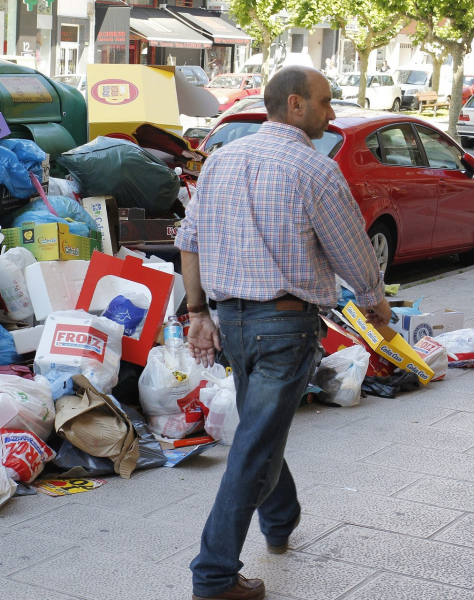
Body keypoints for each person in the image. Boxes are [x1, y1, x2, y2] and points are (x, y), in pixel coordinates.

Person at [175, 65, 390, 600]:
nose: (332, 112)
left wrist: (197, 310)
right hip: (285, 327)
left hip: (236, 324)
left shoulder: (220, 161)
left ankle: (281, 519)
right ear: (295, 105)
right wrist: (374, 301)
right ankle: (215, 575)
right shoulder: (312, 168)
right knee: (253, 446)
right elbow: (353, 250)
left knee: (257, 432)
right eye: (325, 102)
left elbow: (190, 239)